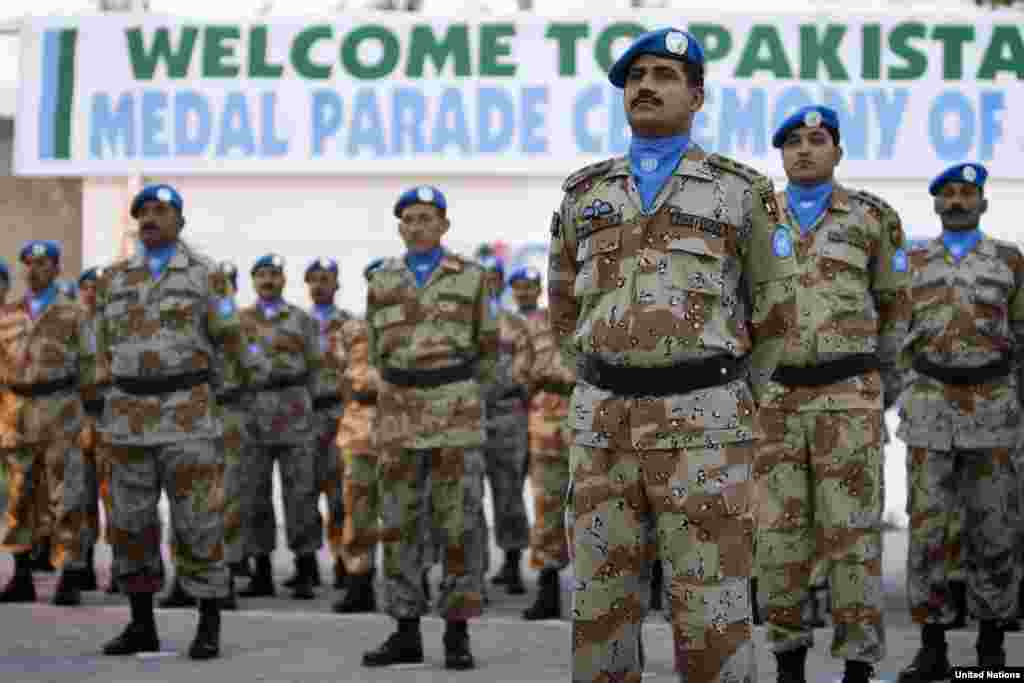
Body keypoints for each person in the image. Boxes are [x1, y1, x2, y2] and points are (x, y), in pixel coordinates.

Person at [548, 28, 798, 682]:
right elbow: (560, 308)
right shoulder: (585, 194)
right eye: (635, 77)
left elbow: (776, 312)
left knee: (712, 608)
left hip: (705, 428)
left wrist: (733, 399)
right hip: (603, 427)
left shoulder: (740, 191)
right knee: (600, 608)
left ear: (696, 95)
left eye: (663, 74)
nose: (646, 86)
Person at [754, 105, 912, 683]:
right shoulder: (754, 216)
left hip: (848, 398)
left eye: (816, 140)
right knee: (777, 539)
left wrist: (879, 387)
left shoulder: (873, 218)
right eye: (792, 141)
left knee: (852, 539)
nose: (803, 149)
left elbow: (897, 310)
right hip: (775, 404)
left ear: (837, 151)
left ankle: (857, 667)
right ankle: (788, 661)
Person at [95, 183, 245, 660]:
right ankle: (141, 624)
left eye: (161, 211)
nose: (150, 218)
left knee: (198, 521)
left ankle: (208, 624)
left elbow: (231, 342)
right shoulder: (113, 279)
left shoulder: (207, 277)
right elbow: (99, 346)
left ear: (180, 221)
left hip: (188, 412)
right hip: (128, 418)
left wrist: (221, 401)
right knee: (131, 523)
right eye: (143, 212)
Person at [896, 163, 1024, 680]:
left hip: (993, 410)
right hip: (929, 410)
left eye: (966, 193)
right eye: (947, 194)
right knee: (926, 530)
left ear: (983, 203)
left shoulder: (1011, 262)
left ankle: (991, 650)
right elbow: (895, 333)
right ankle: (932, 647)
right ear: (935, 204)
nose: (956, 201)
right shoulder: (912, 261)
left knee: (995, 528)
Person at [362, 185, 496, 671]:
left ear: (444, 225)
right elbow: (376, 349)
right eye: (409, 219)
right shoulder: (381, 280)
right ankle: (405, 630)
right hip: (398, 414)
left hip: (454, 414)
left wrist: (453, 390)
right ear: (400, 227)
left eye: (426, 218)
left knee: (459, 524)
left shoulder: (474, 278)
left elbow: (488, 346)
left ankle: (457, 632)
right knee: (398, 523)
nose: (417, 226)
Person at [0, 240, 87, 606]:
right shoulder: (7, 315)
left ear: (56, 267)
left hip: (60, 410)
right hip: (17, 413)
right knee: (17, 498)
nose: (36, 270)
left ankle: (68, 574)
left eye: (44, 263)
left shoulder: (74, 313)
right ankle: (21, 574)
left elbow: (92, 364)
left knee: (65, 497)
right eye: (30, 263)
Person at [237, 254, 324, 601]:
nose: (268, 280)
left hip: (295, 416)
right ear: (253, 281)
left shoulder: (301, 320)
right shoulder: (241, 321)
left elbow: (316, 368)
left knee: (300, 495)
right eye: (262, 275)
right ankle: (261, 571)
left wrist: (313, 410)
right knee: (254, 496)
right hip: (254, 418)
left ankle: (305, 569)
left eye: (274, 274)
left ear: (284, 280)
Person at [508, 265, 575, 621]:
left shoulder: (601, 314)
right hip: (547, 422)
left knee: (610, 505)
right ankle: (548, 587)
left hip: (595, 418)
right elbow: (520, 372)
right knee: (547, 504)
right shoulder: (535, 325)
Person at [479, 254, 533, 597]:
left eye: (493, 277)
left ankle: (512, 563)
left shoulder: (515, 323)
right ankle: (472, 570)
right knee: (466, 499)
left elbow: (526, 365)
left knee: (509, 494)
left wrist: (503, 387)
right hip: (467, 416)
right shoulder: (462, 323)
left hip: (506, 417)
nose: (488, 283)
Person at [331, 275, 382, 614]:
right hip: (360, 433)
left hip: (404, 432)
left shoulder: (416, 325)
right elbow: (342, 374)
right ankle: (359, 583)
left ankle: (410, 582)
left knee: (405, 513)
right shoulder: (351, 330)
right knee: (358, 511)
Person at [301, 257, 351, 591]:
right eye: (315, 279)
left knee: (339, 495)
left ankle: (342, 560)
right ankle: (305, 565)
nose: (321, 284)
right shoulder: (296, 323)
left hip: (338, 416)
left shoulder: (350, 325)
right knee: (302, 493)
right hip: (301, 417)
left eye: (327, 278)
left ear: (337, 284)